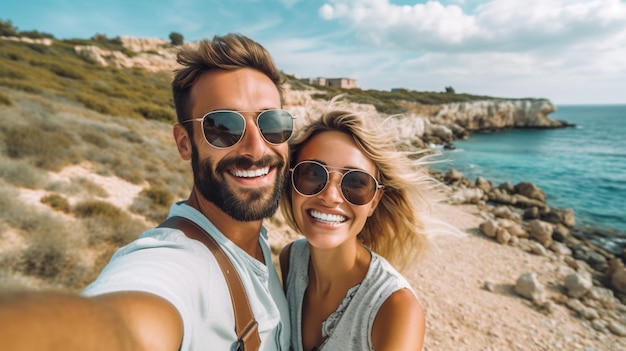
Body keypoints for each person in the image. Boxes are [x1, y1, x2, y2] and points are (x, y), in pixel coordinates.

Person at [0, 33, 291, 350]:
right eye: (223, 127)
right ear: (184, 142)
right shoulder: (171, 263)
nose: (256, 148)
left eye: (271, 123)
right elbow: (120, 326)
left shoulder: (257, 240)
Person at [279, 109, 429, 350]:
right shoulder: (291, 261)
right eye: (313, 174)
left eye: (356, 182)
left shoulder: (396, 308)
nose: (329, 196)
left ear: (375, 201)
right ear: (291, 183)